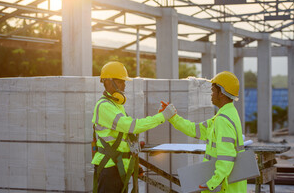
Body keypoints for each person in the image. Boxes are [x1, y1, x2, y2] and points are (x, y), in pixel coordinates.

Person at [91, 61, 175, 193]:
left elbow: (125, 137)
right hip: (109, 168)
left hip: (118, 166)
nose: (124, 86)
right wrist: (162, 117)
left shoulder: (116, 106)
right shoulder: (104, 106)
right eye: (120, 81)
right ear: (108, 82)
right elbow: (132, 127)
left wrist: (133, 162)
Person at [166, 71, 247, 193]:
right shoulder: (227, 114)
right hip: (229, 185)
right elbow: (194, 129)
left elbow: (227, 157)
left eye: (213, 91)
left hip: (225, 188)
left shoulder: (222, 120)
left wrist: (212, 183)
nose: (211, 94)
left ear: (222, 93)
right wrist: (173, 117)